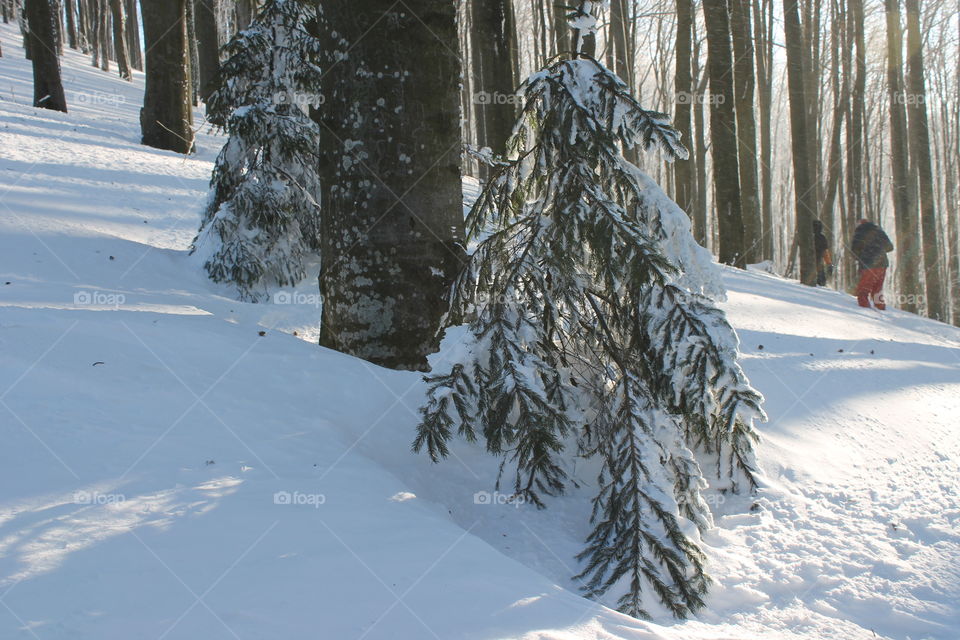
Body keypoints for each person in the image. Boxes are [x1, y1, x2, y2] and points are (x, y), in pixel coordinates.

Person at [850, 218, 894, 310]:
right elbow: (890, 247)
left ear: (859, 225)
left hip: (868, 263)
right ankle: (881, 308)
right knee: (877, 288)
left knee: (863, 290)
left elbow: (854, 251)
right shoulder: (879, 232)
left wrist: (861, 256)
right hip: (882, 263)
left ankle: (865, 311)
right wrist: (879, 250)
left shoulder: (859, 233)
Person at [813, 220, 833, 286]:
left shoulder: (810, 237)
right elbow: (825, 252)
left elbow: (825, 252)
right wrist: (829, 263)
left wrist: (829, 264)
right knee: (821, 282)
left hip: (814, 264)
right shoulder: (821, 238)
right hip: (817, 265)